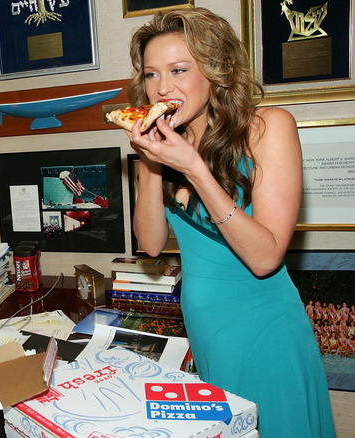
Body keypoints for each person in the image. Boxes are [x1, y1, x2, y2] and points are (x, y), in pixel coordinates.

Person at [124, 8, 335, 437]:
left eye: (178, 70)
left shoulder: (268, 128)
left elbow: (265, 257)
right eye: (151, 75)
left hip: (265, 333)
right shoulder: (171, 145)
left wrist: (196, 170)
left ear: (216, 70)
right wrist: (150, 161)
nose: (162, 87)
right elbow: (149, 243)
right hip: (205, 332)